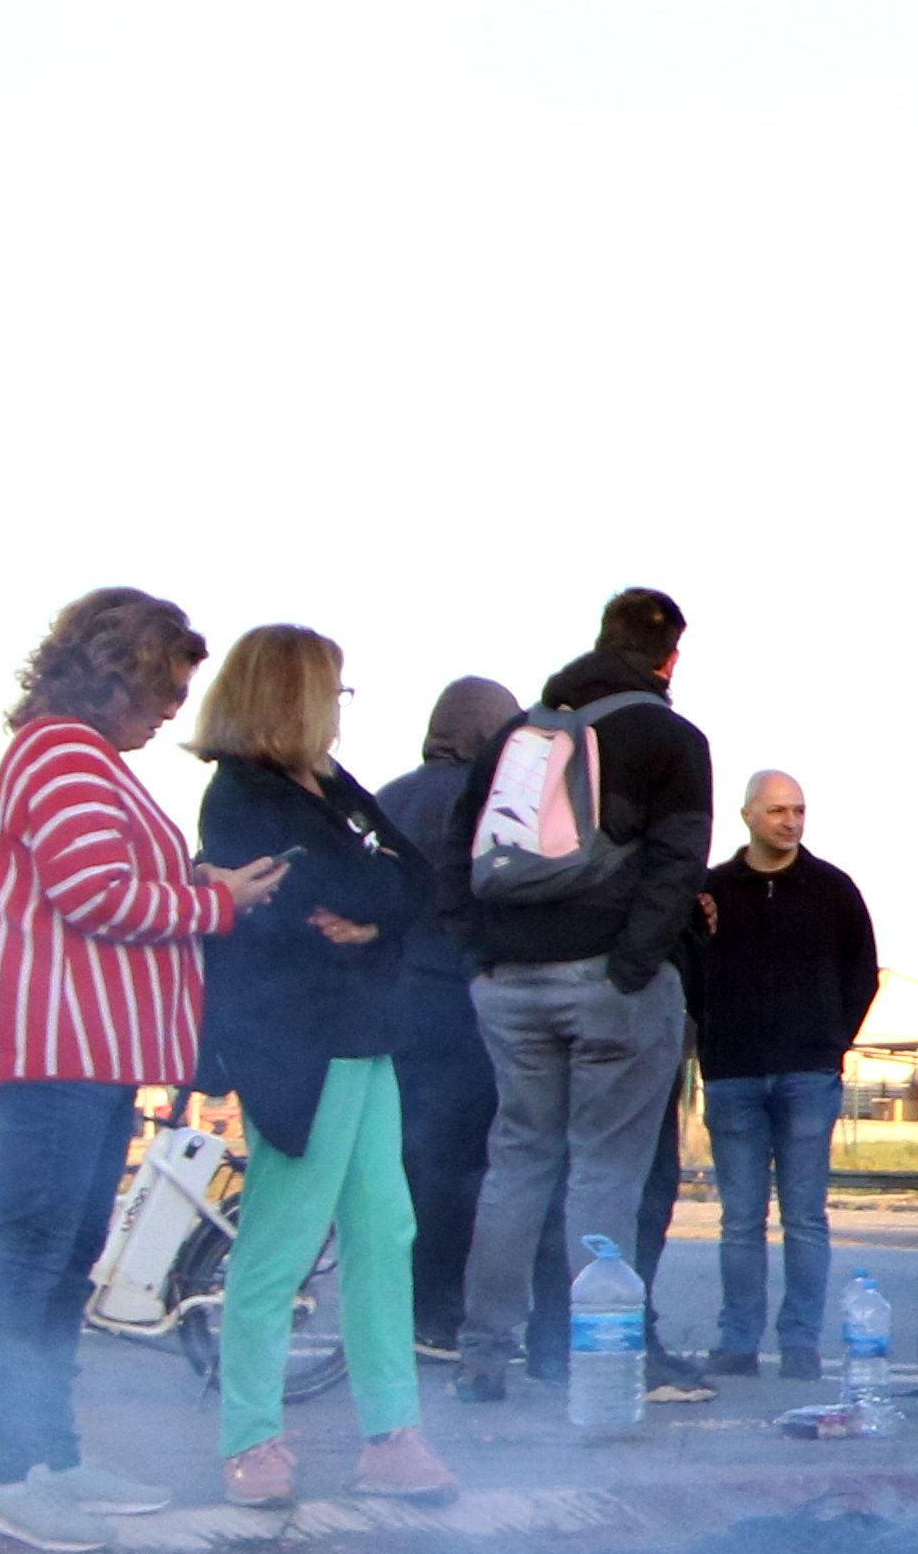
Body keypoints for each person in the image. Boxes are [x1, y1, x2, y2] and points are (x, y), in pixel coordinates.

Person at [0, 588, 277, 1545]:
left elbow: (100, 879)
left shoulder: (76, 755)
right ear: (120, 671)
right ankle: (4, 1469)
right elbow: (95, 893)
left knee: (59, 1259)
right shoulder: (60, 752)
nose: (178, 703)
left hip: (81, 1051)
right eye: (169, 680)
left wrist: (191, 882)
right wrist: (214, 905)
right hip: (55, 1045)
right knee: (33, 1254)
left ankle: (49, 1454)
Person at [181, 627, 456, 1510]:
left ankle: (392, 1433)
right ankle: (251, 1439)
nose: (341, 706)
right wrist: (365, 905)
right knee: (281, 1241)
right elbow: (302, 903)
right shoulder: (244, 796)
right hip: (299, 1044)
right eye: (333, 689)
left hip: (365, 1035)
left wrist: (371, 918)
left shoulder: (331, 788)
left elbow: (413, 880)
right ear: (292, 696)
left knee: (386, 1234)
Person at [450, 589, 710, 1406]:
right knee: (604, 1173)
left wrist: (481, 957)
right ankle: (592, 1363)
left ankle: (484, 1357)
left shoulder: (515, 738)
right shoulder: (669, 738)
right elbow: (677, 864)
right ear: (669, 657)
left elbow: (458, 846)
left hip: (510, 981)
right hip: (608, 980)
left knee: (516, 1165)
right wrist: (633, 965)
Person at [682, 770, 875, 1386]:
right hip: (734, 1071)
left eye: (798, 810)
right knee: (740, 1220)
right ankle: (737, 1342)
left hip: (807, 1072)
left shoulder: (832, 890)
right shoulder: (710, 891)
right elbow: (686, 971)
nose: (790, 821)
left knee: (805, 1217)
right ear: (746, 816)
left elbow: (863, 972)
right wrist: (711, 1038)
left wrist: (831, 1040)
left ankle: (799, 1345)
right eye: (776, 811)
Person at [369, 683, 515, 1357]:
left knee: (394, 1160)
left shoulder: (386, 798)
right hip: (460, 1004)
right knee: (455, 1167)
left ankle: (384, 1308)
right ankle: (437, 1310)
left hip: (387, 1004)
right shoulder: (490, 802)